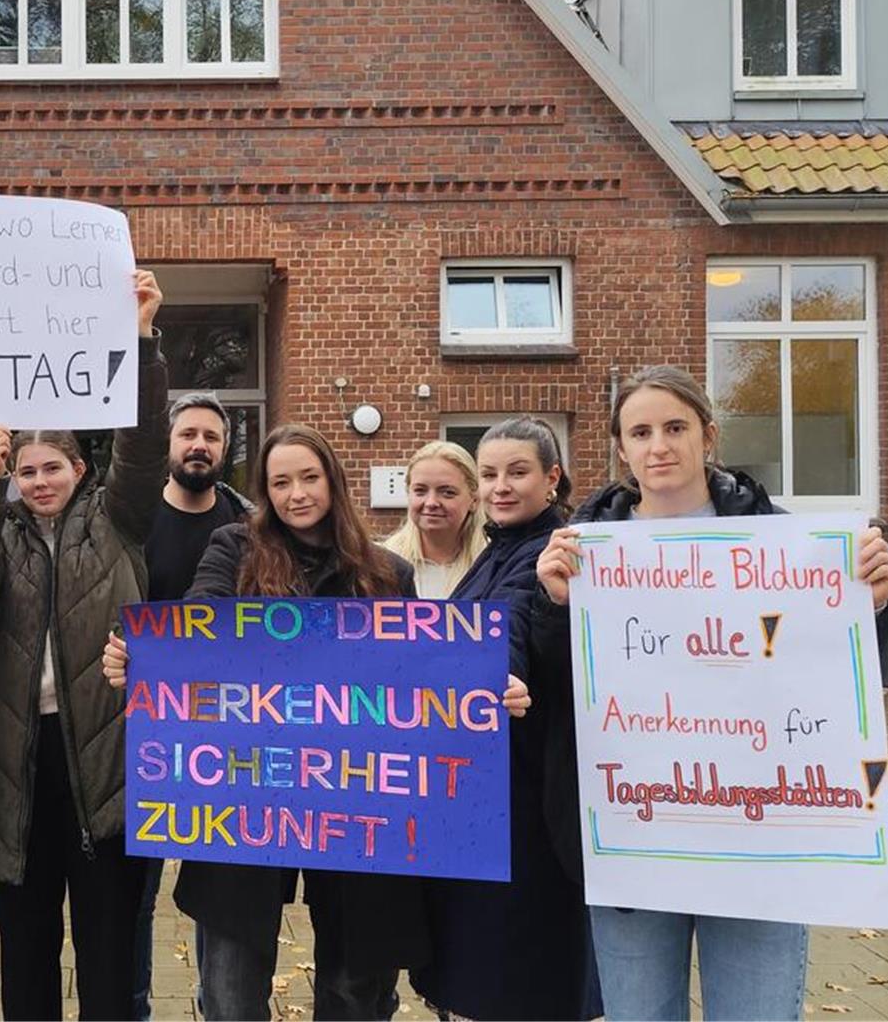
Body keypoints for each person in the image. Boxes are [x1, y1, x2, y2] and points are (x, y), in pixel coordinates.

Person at [103, 423, 531, 1021]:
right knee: (230, 986)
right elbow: (198, 624)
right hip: (245, 795)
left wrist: (486, 693)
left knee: (356, 988)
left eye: (309, 477)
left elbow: (421, 679)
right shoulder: (234, 549)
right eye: (279, 482)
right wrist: (144, 655)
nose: (295, 494)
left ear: (333, 479)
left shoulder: (385, 573)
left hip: (360, 805)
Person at [529, 366, 888, 1022]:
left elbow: (834, 677)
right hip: (635, 842)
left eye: (675, 427)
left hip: (760, 844)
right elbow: (555, 688)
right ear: (621, 448)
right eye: (640, 431)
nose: (659, 446)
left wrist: (870, 605)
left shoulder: (788, 544)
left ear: (708, 434)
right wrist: (557, 604)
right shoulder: (580, 553)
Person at [0, 269, 168, 1021]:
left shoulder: (118, 521)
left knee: (107, 956)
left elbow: (143, 448)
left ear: (82, 470)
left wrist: (139, 339)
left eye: (53, 469)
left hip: (106, 765)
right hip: (18, 766)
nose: (39, 482)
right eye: (28, 472)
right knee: (26, 954)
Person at [413, 417, 599, 1021]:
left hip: (527, 792)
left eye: (517, 472)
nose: (500, 486)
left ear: (552, 478)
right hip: (488, 785)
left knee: (518, 969)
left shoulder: (553, 550)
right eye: (489, 474)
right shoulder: (500, 548)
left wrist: (497, 673)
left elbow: (513, 625)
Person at [133, 392, 253, 1019]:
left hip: (228, 737)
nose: (199, 444)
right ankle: (135, 1006)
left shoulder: (249, 525)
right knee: (138, 890)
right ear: (169, 444)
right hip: (141, 731)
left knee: (219, 891)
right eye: (188, 434)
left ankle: (216, 1005)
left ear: (225, 447)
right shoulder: (129, 519)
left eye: (211, 434)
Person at [381, 440, 487, 599]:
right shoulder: (380, 565)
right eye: (420, 491)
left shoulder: (493, 566)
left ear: (474, 500)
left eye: (447, 493)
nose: (431, 503)